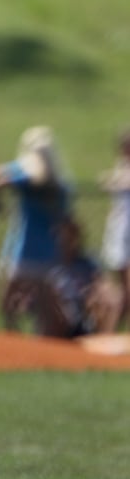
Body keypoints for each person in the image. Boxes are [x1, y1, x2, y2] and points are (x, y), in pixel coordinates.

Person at [0, 126, 73, 334]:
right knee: (44, 301)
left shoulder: (26, 177)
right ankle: (45, 340)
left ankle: (15, 338)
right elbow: (65, 219)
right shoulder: (60, 185)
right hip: (48, 248)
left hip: (24, 248)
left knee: (6, 299)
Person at [96, 128, 130, 332]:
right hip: (119, 234)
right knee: (118, 289)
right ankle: (109, 332)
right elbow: (107, 182)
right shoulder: (121, 166)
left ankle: (112, 332)